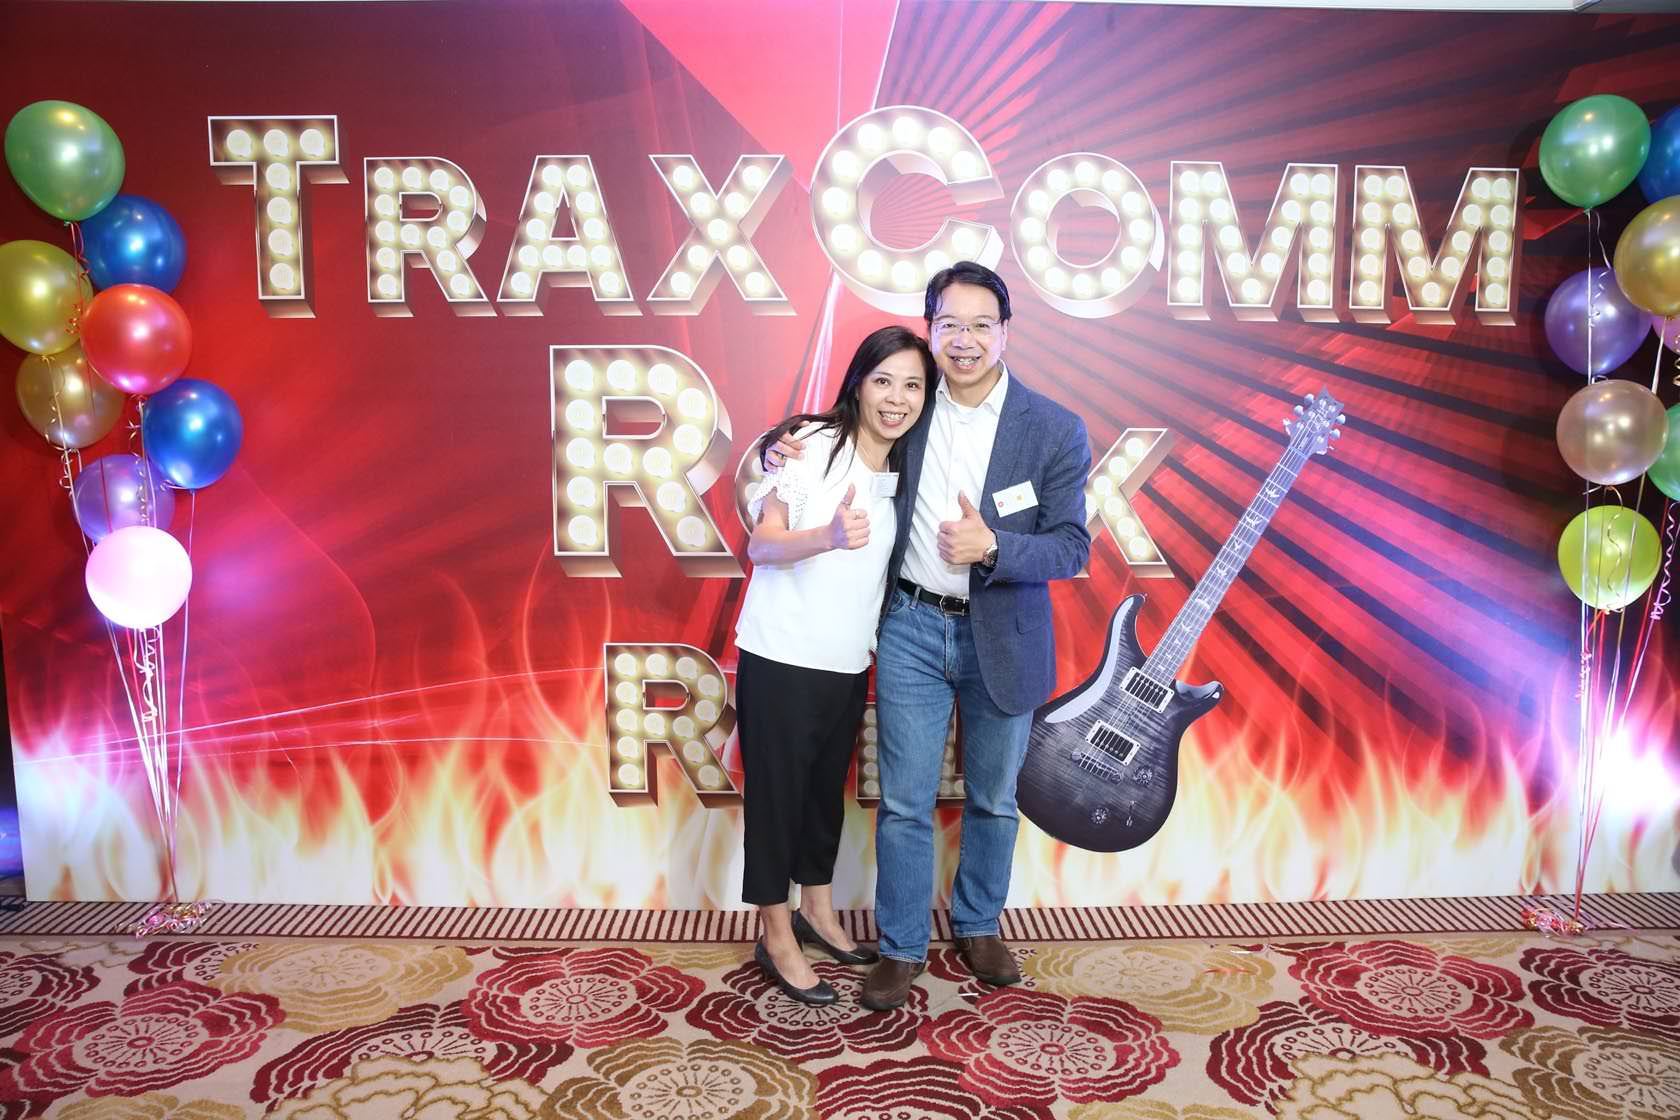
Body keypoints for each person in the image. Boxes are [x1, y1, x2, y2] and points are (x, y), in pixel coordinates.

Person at [767, 263, 1090, 1011]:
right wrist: (773, 449)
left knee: (994, 799)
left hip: (1003, 632)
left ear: (1005, 332)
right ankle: (903, 944)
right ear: (931, 328)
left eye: (981, 325)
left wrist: (995, 547)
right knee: (905, 801)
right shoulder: (907, 406)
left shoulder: (1053, 428)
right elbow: (826, 433)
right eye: (950, 324)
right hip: (911, 625)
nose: (964, 340)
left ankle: (979, 925)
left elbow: (1072, 546)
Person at [736, 325, 935, 1005]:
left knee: (823, 796)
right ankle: (775, 934)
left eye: (913, 385)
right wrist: (825, 536)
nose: (897, 398)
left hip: (848, 659)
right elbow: (763, 545)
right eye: (884, 381)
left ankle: (817, 913)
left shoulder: (907, 466)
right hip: (781, 654)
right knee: (777, 799)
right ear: (858, 383)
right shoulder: (811, 445)